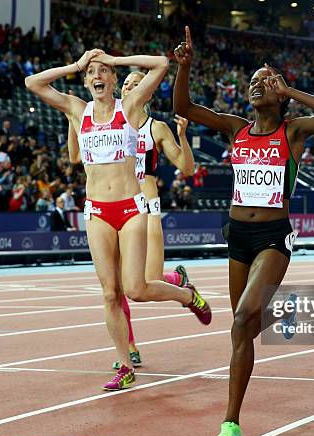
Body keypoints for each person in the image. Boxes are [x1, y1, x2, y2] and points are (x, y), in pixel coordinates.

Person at [173, 27, 314, 436]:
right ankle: (275, 310)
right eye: (251, 81)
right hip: (238, 235)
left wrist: (292, 90)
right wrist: (184, 68)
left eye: (264, 81)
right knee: (244, 329)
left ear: (280, 93)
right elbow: (184, 106)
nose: (255, 85)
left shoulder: (293, 131)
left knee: (239, 318)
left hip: (273, 235)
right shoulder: (236, 128)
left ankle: (230, 421)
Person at [26, 48, 212, 391]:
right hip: (97, 211)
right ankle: (125, 365)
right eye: (91, 73)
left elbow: (161, 64)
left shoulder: (129, 108)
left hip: (131, 207)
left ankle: (187, 297)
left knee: (136, 288)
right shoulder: (77, 110)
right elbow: (33, 82)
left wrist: (114, 60)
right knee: (110, 294)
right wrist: (76, 64)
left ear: (112, 79)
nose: (98, 76)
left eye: (103, 72)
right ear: (85, 80)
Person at [66, 71, 197, 369]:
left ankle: (177, 281)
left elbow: (186, 168)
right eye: (125, 84)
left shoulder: (155, 128)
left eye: (136, 85)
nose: (129, 88)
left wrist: (182, 137)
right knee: (118, 286)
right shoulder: (102, 122)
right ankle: (130, 347)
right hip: (110, 205)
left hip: (145, 206)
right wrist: (72, 120)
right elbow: (75, 156)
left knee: (144, 283)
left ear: (147, 92)